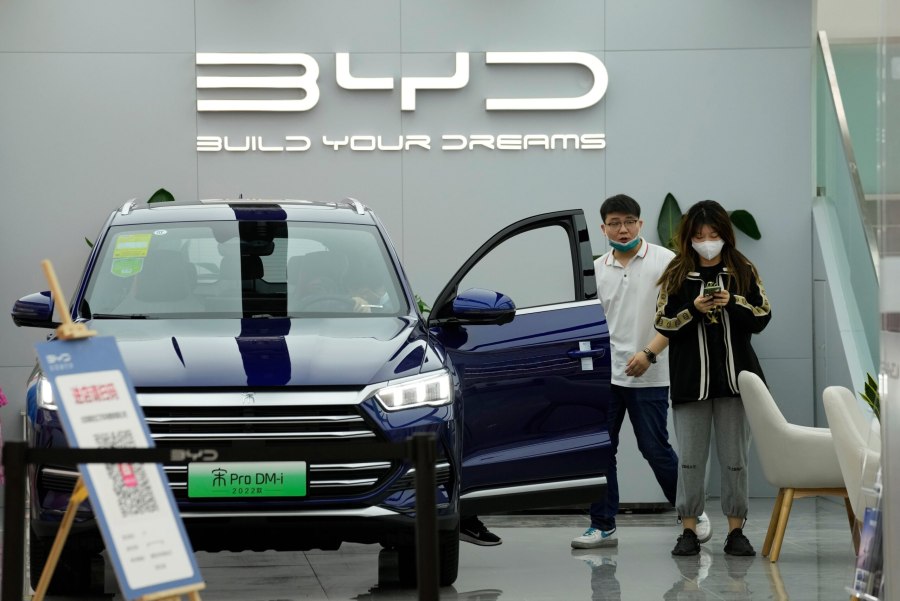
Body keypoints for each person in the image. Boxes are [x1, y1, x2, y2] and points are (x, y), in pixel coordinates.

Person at [571, 194, 710, 550]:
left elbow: (681, 316)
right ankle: (602, 525)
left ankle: (691, 512)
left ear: (640, 224)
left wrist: (649, 354)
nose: (623, 229)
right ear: (603, 228)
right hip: (605, 375)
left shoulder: (666, 261)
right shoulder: (596, 269)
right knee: (602, 451)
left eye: (629, 222)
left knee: (654, 448)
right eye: (615, 223)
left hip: (650, 372)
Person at [655, 200, 771, 557]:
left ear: (725, 235)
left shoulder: (742, 269)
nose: (707, 241)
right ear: (689, 237)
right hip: (692, 382)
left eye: (713, 234)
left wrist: (732, 301)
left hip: (736, 382)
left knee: (735, 459)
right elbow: (663, 323)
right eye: (700, 235)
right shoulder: (677, 273)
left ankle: (736, 531)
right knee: (690, 460)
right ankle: (688, 530)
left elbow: (762, 315)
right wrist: (693, 309)